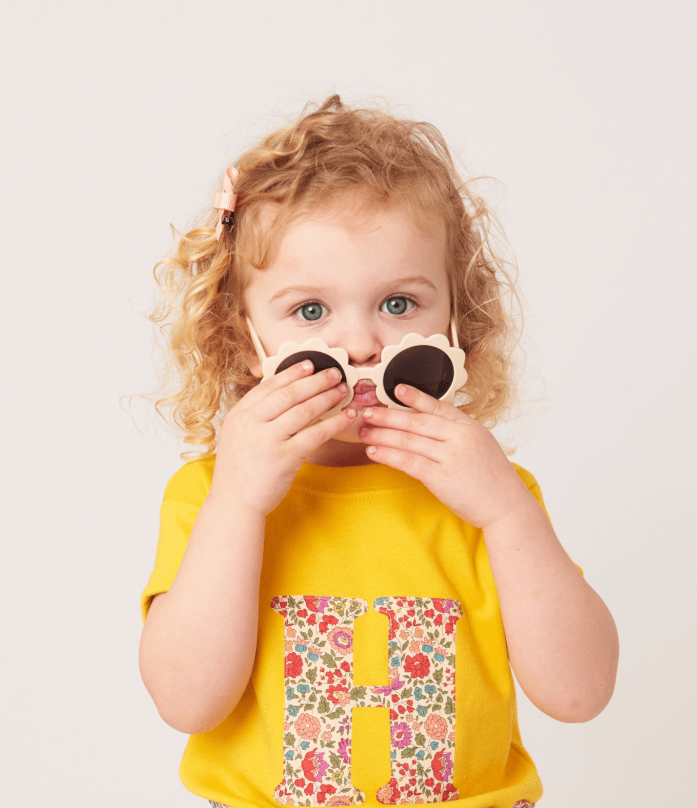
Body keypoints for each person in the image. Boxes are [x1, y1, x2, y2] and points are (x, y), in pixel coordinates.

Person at [138, 95, 619, 808]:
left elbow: (580, 692)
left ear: (458, 314)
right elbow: (187, 701)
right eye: (310, 310)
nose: (362, 343)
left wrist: (509, 516)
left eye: (398, 303)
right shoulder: (213, 495)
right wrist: (238, 502)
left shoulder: (490, 493)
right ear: (244, 339)